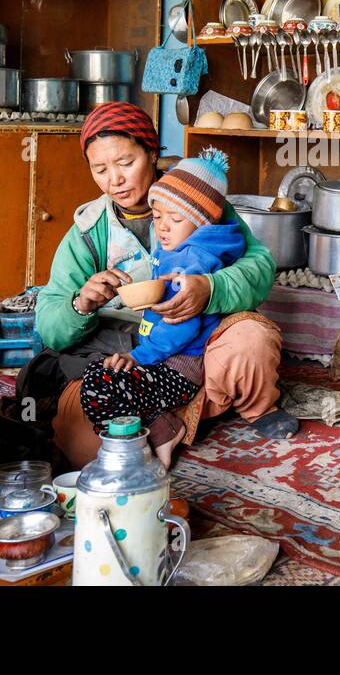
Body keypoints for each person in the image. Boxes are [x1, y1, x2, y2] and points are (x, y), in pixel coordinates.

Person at [16, 102, 297, 468]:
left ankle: (244, 405)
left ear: (151, 153)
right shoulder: (87, 232)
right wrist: (81, 304)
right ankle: (174, 417)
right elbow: (50, 324)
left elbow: (259, 268)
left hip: (194, 346)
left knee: (250, 340)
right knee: (86, 449)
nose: (113, 180)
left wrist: (209, 289)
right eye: (99, 169)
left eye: (125, 163)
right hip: (121, 350)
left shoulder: (197, 201)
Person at [79, 147, 245, 467]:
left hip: (178, 369)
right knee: (99, 374)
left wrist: (137, 357)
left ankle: (134, 454)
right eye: (158, 217)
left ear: (202, 223)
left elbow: (183, 325)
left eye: (177, 219)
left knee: (100, 384)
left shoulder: (192, 261)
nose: (164, 227)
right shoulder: (177, 249)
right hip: (163, 359)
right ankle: (159, 425)